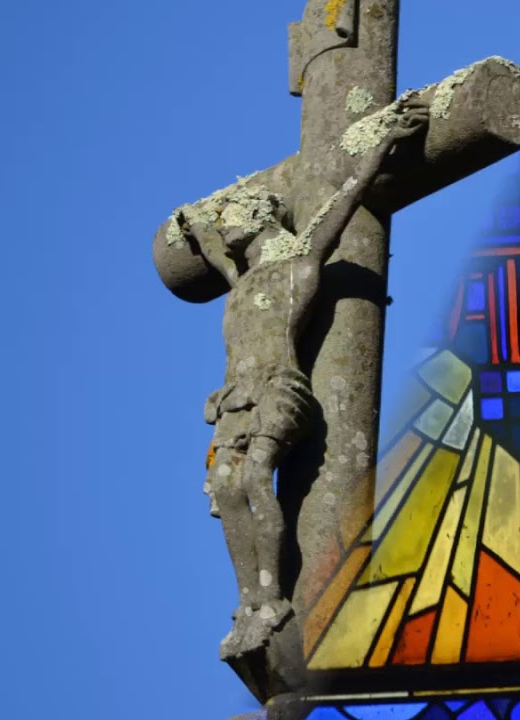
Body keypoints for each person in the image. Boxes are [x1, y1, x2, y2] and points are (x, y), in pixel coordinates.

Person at [168, 97, 430, 651]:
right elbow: (216, 250)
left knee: (256, 476)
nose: (227, 220)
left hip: (279, 389)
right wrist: (194, 226)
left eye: (233, 213)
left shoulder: (301, 263)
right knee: (224, 484)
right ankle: (250, 601)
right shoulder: (240, 280)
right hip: (235, 397)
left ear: (261, 218)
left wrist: (382, 143)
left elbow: (344, 199)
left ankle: (275, 596)